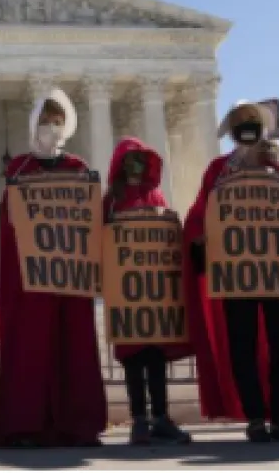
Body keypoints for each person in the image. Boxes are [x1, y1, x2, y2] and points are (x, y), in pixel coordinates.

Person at [0, 88, 106, 447]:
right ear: (33, 123)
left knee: (75, 349)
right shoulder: (19, 168)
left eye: (57, 120)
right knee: (29, 350)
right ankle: (25, 426)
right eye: (45, 120)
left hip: (70, 279)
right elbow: (8, 224)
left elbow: (90, 219)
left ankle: (77, 424)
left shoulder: (78, 168)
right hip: (30, 281)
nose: (51, 127)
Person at [184, 99, 279, 442]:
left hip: (278, 275)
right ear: (231, 128)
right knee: (241, 347)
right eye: (239, 120)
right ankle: (256, 416)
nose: (245, 125)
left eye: (251, 119)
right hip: (236, 275)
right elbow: (202, 209)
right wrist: (198, 235)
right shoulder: (218, 170)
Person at [103, 137, 192, 445]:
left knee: (155, 360)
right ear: (120, 165)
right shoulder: (111, 200)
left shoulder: (155, 195)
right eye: (130, 160)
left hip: (153, 295)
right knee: (132, 361)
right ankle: (139, 419)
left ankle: (161, 418)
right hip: (127, 295)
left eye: (140, 159)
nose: (136, 166)